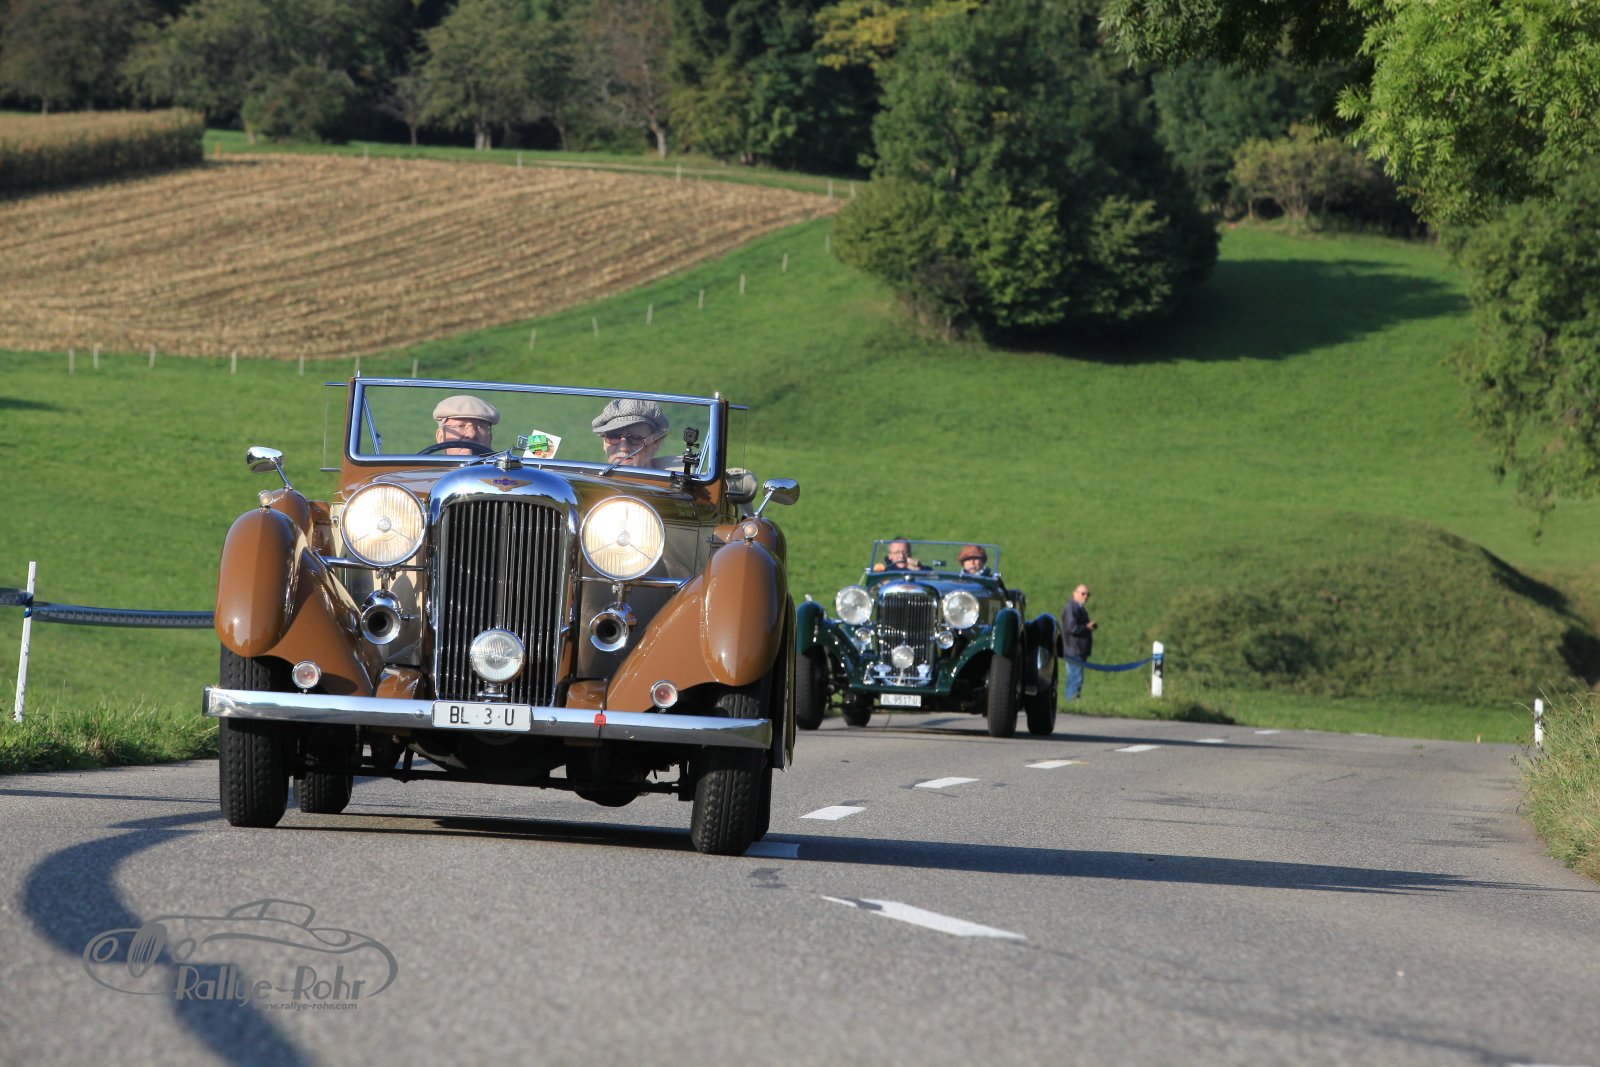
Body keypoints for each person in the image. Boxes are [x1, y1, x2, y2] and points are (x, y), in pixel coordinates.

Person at [592, 397, 671, 468]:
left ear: (655, 444)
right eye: (613, 437)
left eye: (635, 438)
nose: (623, 448)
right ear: (604, 444)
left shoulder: (671, 478)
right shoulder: (588, 478)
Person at [1060, 583, 1096, 701]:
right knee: (1075, 677)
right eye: (1083, 594)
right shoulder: (1071, 608)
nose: (1085, 597)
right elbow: (1071, 628)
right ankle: (1071, 700)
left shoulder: (1079, 608)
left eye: (1087, 594)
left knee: (1076, 676)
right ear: (1074, 593)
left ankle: (1072, 700)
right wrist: (1087, 627)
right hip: (1073, 650)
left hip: (1078, 650)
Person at [432, 395, 499, 455]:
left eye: (480, 426)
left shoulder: (502, 465)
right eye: (460, 426)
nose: (472, 434)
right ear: (441, 437)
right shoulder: (427, 465)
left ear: (490, 438)